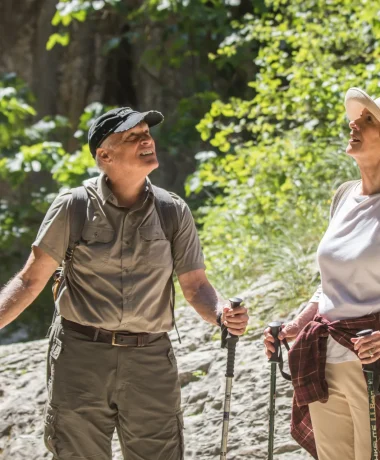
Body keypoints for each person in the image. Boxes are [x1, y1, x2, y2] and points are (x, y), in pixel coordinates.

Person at [0, 107, 249, 460]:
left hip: (150, 359)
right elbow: (29, 281)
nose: (146, 140)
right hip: (81, 356)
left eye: (147, 133)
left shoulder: (172, 210)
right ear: (104, 155)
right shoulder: (73, 207)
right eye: (132, 136)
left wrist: (222, 312)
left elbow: (196, 286)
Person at [264, 87, 380, 460]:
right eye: (355, 118)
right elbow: (330, 283)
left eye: (368, 119)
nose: (353, 123)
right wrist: (297, 324)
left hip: (373, 361)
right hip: (325, 358)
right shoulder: (344, 196)